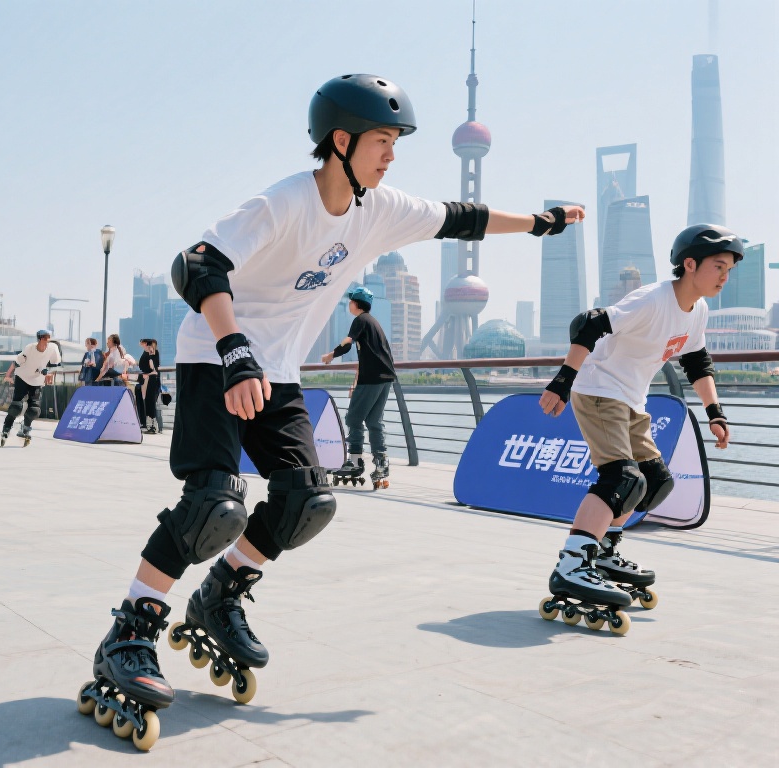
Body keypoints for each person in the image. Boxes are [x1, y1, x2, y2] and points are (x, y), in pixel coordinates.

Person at [78, 73, 584, 750]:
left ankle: (219, 596)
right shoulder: (284, 202)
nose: (392, 155)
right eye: (382, 141)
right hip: (214, 357)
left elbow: (462, 217)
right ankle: (130, 632)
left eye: (397, 142)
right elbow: (197, 266)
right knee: (214, 505)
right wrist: (233, 350)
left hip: (278, 371)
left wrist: (540, 223)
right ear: (340, 142)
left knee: (306, 502)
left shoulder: (383, 208)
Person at [537, 224, 740, 635]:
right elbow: (588, 323)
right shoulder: (652, 300)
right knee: (620, 478)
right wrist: (562, 381)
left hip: (630, 399)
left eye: (729, 269)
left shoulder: (697, 309)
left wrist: (714, 412)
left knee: (653, 481)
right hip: (598, 391)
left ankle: (606, 552)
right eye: (718, 266)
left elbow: (696, 360)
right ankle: (572, 564)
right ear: (689, 264)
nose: (724, 276)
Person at [321, 286, 396, 488]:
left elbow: (347, 343)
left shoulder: (360, 320)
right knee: (373, 421)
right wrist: (356, 381)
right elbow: (371, 356)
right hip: (385, 376)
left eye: (350, 301)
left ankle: (354, 462)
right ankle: (382, 463)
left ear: (356, 303)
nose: (349, 305)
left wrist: (331, 355)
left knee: (353, 418)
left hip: (372, 378)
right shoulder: (374, 324)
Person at [0, 329, 61, 446]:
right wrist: (8, 375)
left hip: (37, 379)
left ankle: (26, 427)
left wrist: (48, 373)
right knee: (16, 406)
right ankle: (6, 428)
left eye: (47, 338)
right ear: (39, 339)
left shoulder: (53, 348)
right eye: (43, 338)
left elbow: (54, 364)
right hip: (22, 376)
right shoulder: (30, 348)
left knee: (34, 409)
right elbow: (16, 362)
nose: (46, 340)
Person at [139, 339, 162, 434]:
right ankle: (150, 425)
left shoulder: (153, 353)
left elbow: (153, 367)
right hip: (147, 379)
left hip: (151, 379)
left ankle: (153, 426)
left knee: (151, 402)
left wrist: (151, 355)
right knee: (148, 401)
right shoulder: (146, 353)